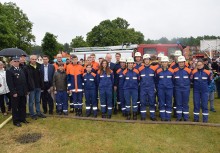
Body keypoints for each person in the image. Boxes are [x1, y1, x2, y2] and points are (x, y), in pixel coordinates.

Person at [6, 56, 29, 127]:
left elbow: (24, 81)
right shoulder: (9, 71)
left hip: (22, 92)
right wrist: (13, 92)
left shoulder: (21, 69)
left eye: (18, 61)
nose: (16, 62)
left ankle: (22, 118)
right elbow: (10, 83)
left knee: (22, 105)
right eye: (15, 61)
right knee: (15, 107)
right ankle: (16, 121)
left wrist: (26, 91)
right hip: (16, 93)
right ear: (12, 62)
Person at [25, 55, 46, 120]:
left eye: (35, 59)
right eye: (32, 59)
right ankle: (32, 114)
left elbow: (41, 77)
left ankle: (38, 112)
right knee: (31, 102)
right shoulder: (27, 67)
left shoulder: (39, 66)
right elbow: (26, 79)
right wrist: (27, 89)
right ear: (30, 60)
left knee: (38, 101)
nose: (34, 60)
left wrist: (42, 86)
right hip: (31, 88)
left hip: (38, 87)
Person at [138, 54, 157, 121]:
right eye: (145, 59)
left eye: (148, 59)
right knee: (142, 102)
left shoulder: (153, 68)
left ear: (149, 60)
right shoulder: (140, 69)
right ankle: (143, 116)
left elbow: (155, 78)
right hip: (143, 88)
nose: (146, 61)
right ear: (143, 60)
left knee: (152, 102)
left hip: (151, 88)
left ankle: (152, 116)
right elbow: (138, 78)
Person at [156, 56, 174, 121]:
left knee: (169, 102)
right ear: (161, 63)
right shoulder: (158, 71)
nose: (164, 63)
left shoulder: (172, 71)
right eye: (163, 62)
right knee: (161, 102)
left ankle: (168, 117)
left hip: (169, 89)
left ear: (167, 63)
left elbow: (173, 80)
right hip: (161, 89)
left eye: (165, 62)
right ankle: (163, 117)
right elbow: (156, 80)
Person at [173, 56, 191, 121]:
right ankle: (179, 117)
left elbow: (191, 79)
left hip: (186, 89)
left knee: (185, 103)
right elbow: (173, 80)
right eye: (179, 62)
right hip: (177, 89)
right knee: (178, 103)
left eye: (182, 62)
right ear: (178, 63)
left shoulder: (188, 70)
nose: (181, 64)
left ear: (184, 62)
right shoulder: (174, 71)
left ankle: (186, 117)